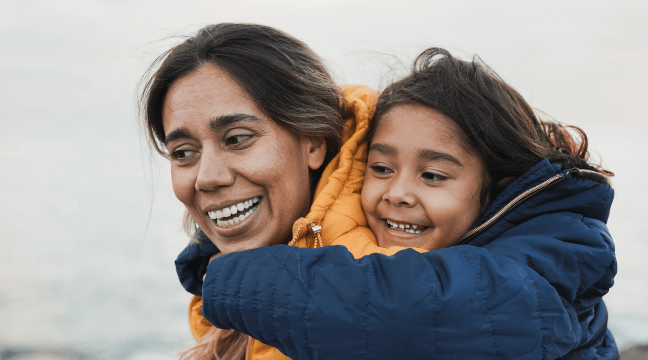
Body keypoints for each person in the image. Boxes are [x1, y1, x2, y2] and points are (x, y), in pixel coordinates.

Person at [192, 48, 619, 359]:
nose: (397, 193)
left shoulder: (553, 251)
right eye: (380, 168)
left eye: (433, 176)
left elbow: (412, 311)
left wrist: (229, 280)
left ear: (496, 186)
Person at [142, 23, 413, 360]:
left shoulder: (402, 273)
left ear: (313, 141)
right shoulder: (225, 295)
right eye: (183, 152)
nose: (207, 178)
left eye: (237, 138)